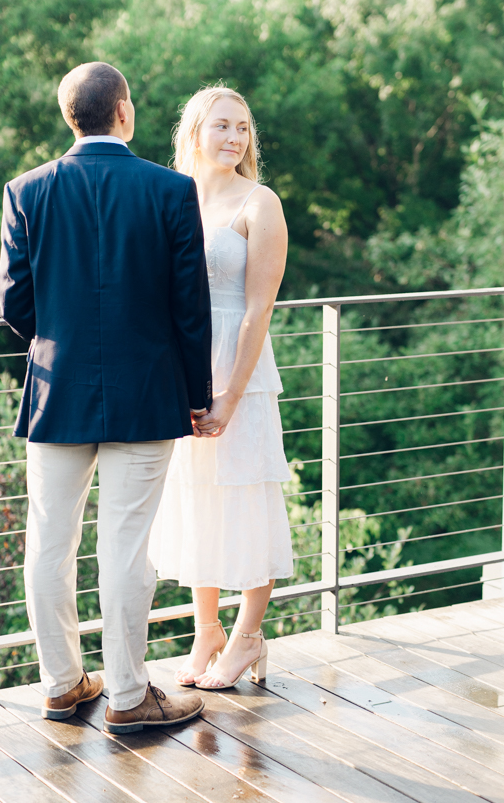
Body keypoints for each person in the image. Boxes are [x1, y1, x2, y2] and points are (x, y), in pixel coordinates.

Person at [0, 61, 212, 733]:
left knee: (48, 545)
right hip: (146, 395)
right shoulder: (170, 190)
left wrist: (59, 338)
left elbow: (12, 304)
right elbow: (189, 309)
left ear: (71, 117)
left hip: (56, 396)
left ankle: (61, 686)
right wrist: (197, 395)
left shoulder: (26, 189)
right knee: (124, 548)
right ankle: (126, 697)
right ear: (124, 110)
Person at [149, 85, 292, 690]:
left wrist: (231, 393)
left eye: (244, 128)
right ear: (195, 132)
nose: (235, 138)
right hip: (185, 366)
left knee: (248, 496)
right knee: (198, 494)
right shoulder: (173, 199)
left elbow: (258, 311)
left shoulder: (260, 204)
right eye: (223, 126)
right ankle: (206, 628)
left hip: (240, 371)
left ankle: (248, 635)